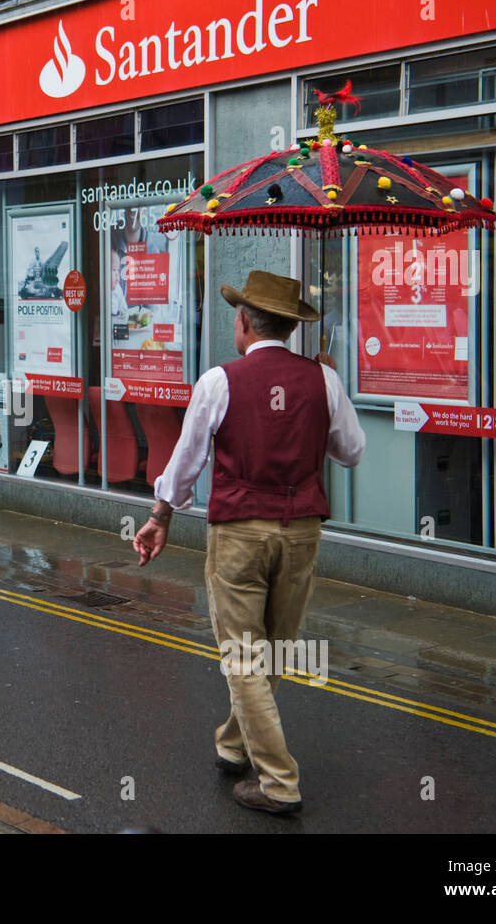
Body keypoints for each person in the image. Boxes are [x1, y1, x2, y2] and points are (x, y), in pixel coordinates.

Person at [132, 270, 365, 816]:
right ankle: (234, 744)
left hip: (239, 531)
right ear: (290, 326)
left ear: (242, 323)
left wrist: (160, 515)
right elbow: (351, 452)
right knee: (273, 649)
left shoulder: (219, 380)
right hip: (302, 530)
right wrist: (324, 396)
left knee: (242, 657)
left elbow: (186, 463)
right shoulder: (323, 380)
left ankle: (279, 782)